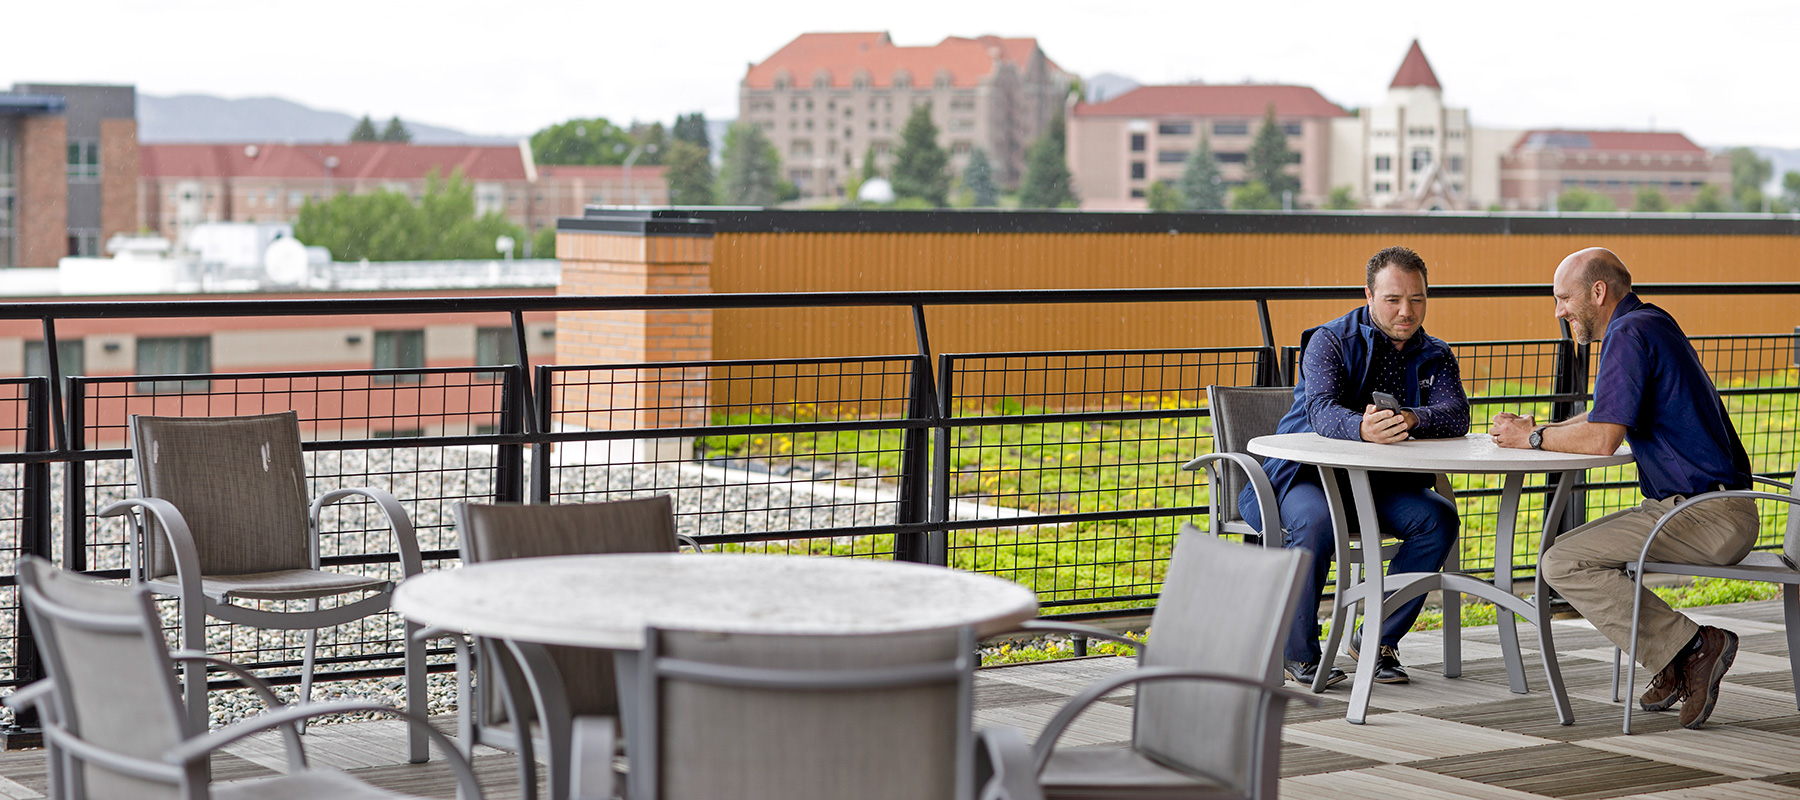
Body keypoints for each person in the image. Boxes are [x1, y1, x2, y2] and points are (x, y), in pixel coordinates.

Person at [1490, 247, 1753, 730]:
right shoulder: (1649, 323)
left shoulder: (1628, 334)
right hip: (1712, 507)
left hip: (1708, 515)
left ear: (1598, 291)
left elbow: (1602, 438)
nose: (1558, 311)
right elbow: (1602, 416)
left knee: (1561, 562)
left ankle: (1694, 647)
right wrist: (1539, 429)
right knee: (1569, 551)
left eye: (1563, 298)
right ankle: (1675, 662)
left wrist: (1531, 438)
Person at [1242, 246, 1468, 689]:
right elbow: (1321, 408)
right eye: (1393, 299)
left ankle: (1377, 639)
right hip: (1301, 477)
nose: (1407, 311)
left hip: (1379, 484)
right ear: (1368, 294)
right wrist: (1363, 428)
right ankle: (1298, 655)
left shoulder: (1436, 353)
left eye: (1418, 299)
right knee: (1316, 522)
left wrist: (1412, 417)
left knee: (1438, 518)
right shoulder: (1329, 340)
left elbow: (1458, 413)